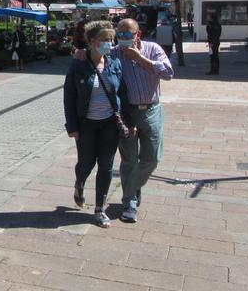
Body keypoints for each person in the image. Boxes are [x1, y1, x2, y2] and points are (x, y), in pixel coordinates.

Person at [64, 21, 130, 228]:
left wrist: (128, 121)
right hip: (86, 125)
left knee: (106, 166)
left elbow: (122, 94)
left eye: (111, 40)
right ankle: (80, 182)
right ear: (92, 42)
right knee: (86, 164)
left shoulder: (114, 64)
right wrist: (72, 126)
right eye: (104, 40)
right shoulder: (78, 64)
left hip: (110, 124)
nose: (109, 44)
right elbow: (69, 96)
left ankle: (100, 208)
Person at [111, 18, 173, 223]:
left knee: (152, 158)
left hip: (151, 110)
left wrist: (140, 58)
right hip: (127, 113)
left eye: (127, 34)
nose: (123, 38)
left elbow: (168, 73)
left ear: (138, 34)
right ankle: (129, 203)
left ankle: (130, 189)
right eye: (119, 34)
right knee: (129, 159)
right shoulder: (114, 54)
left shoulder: (152, 49)